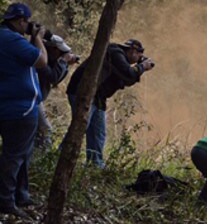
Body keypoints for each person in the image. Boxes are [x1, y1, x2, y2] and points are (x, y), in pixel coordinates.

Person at [65, 39, 155, 167]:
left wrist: (139, 69)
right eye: (139, 56)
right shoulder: (115, 52)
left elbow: (128, 79)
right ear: (132, 51)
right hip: (82, 92)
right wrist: (142, 66)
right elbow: (128, 73)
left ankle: (95, 165)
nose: (139, 59)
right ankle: (61, 157)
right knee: (80, 127)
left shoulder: (120, 61)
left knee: (98, 132)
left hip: (98, 98)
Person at [0, 3, 48, 217]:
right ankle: (7, 202)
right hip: (20, 107)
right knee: (15, 156)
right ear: (21, 21)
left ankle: (21, 195)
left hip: (8, 103)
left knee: (21, 153)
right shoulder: (12, 39)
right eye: (27, 23)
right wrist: (37, 38)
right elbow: (41, 61)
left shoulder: (6, 38)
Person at [35, 35, 80, 148]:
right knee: (45, 129)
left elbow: (55, 82)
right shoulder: (39, 58)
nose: (61, 55)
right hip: (31, 99)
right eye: (60, 52)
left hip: (34, 99)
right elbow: (53, 77)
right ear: (53, 49)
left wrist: (65, 64)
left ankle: (34, 160)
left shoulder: (48, 60)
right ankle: (40, 161)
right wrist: (63, 61)